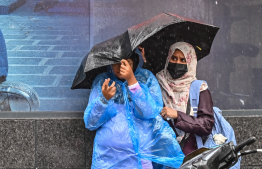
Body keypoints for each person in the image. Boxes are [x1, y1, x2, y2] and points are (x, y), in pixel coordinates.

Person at [84, 49, 184, 169]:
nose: (121, 68)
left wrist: (132, 81)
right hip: (108, 158)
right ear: (110, 64)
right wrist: (103, 99)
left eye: (127, 63)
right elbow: (90, 122)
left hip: (141, 156)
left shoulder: (146, 78)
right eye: (116, 64)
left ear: (134, 63)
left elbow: (150, 111)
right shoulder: (102, 81)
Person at [156, 42, 215, 156]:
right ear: (168, 58)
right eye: (174, 58)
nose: (177, 63)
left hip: (189, 153)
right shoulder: (157, 83)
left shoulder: (199, 89)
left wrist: (178, 116)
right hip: (162, 152)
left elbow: (206, 125)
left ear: (190, 62)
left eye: (183, 60)